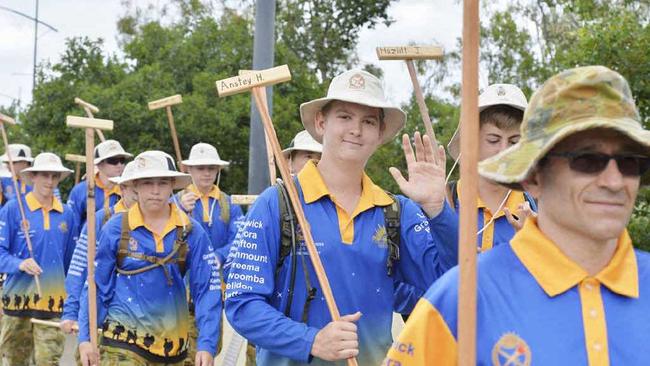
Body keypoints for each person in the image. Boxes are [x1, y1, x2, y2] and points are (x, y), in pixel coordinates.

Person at [385, 65, 650, 365]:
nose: (614, 182)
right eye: (587, 159)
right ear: (533, 176)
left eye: (630, 160)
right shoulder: (461, 296)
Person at [225, 69, 451, 365]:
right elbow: (242, 304)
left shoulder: (397, 210)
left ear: (380, 133)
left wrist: (439, 211)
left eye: (368, 121)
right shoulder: (276, 203)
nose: (356, 130)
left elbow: (451, 284)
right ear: (321, 123)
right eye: (344, 117)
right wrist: (311, 340)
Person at [78, 151, 221, 366]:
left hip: (173, 347)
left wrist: (207, 344)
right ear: (135, 185)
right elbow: (97, 286)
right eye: (147, 183)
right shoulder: (115, 228)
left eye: (162, 183)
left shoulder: (191, 231)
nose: (155, 191)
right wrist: (86, 339)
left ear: (172, 184)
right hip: (123, 342)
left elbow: (207, 288)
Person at [0, 152, 79, 365]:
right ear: (33, 176)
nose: (50, 181)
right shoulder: (13, 209)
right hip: (17, 303)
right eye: (45, 175)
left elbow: (72, 262)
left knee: (48, 362)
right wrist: (19, 264)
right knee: (16, 362)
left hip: (53, 304)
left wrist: (74, 301)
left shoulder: (67, 213)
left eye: (54, 176)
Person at [176, 143, 244, 364]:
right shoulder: (175, 201)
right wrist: (176, 207)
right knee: (180, 350)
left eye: (211, 168)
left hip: (215, 288)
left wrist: (219, 256)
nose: (206, 173)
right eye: (200, 168)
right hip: (181, 291)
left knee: (210, 348)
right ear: (189, 170)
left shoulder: (228, 203)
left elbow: (240, 241)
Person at [61, 160, 140, 336]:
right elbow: (79, 266)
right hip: (100, 313)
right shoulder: (101, 219)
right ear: (122, 189)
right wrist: (70, 312)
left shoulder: (158, 223)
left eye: (143, 187)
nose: (139, 194)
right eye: (133, 189)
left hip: (141, 321)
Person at [67, 139, 132, 237]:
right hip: (87, 245)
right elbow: (72, 226)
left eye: (122, 160)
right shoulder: (80, 191)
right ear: (99, 164)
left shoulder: (129, 191)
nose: (119, 165)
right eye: (113, 161)